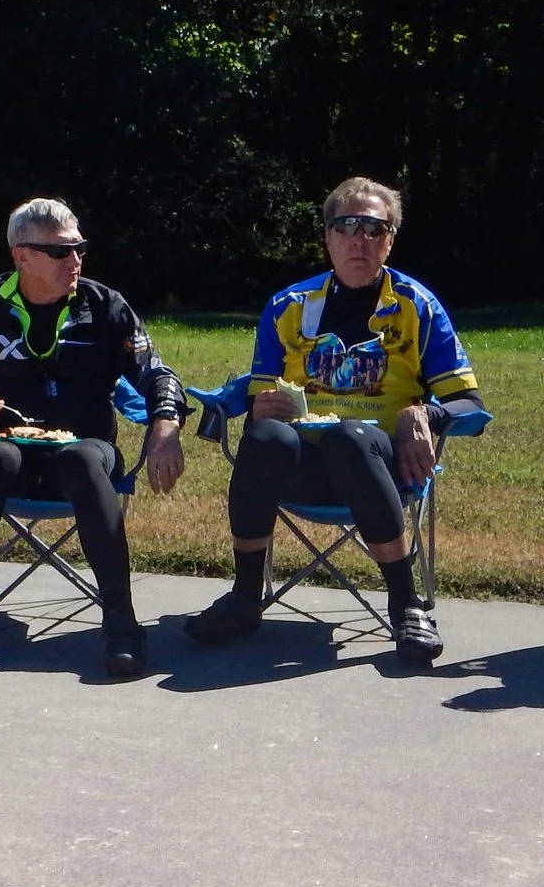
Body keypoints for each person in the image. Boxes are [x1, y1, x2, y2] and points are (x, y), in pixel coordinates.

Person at [183, 176, 483, 664]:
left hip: (382, 467)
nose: (358, 239)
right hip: (299, 468)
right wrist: (261, 408)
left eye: (373, 228)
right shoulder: (288, 306)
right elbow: (258, 396)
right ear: (327, 237)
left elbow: (470, 406)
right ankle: (244, 597)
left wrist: (425, 412)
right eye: (346, 226)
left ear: (390, 240)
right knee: (267, 437)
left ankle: (405, 605)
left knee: (350, 437)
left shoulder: (418, 307)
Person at [0, 197, 185, 677]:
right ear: (21, 256)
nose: (74, 260)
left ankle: (121, 622)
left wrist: (165, 423)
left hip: (87, 451)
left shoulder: (104, 306)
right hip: (9, 450)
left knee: (80, 457)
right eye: (60, 252)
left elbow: (157, 373)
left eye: (79, 249)